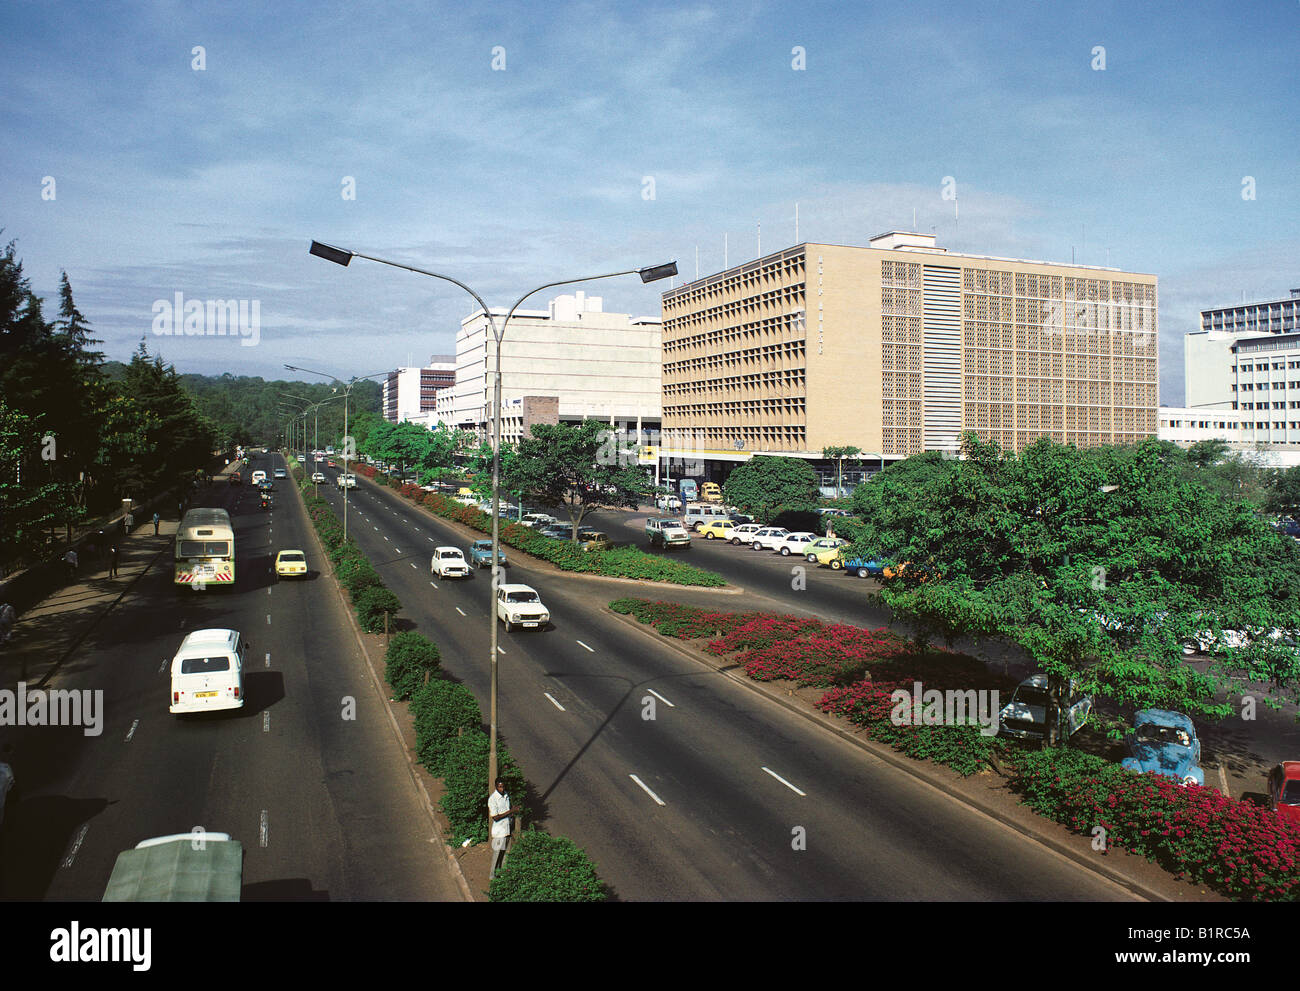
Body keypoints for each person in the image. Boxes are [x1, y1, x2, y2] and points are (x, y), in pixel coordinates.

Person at [487, 777, 519, 879]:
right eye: (500, 787)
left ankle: (502, 875)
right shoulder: (493, 799)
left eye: (503, 786)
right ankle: (492, 876)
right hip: (499, 832)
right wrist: (511, 811)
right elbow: (496, 817)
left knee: (505, 854)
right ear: (496, 786)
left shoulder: (506, 795)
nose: (502, 788)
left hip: (507, 829)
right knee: (497, 854)